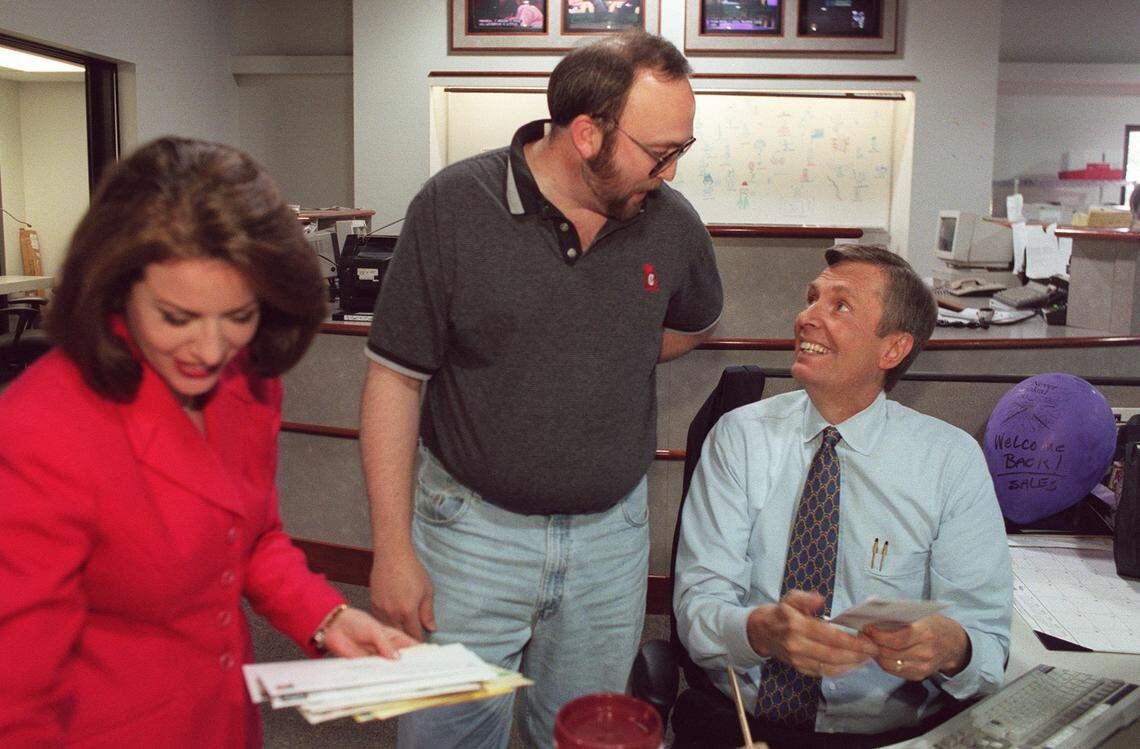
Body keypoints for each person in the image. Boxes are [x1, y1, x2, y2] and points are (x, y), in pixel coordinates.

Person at [363, 31, 722, 749]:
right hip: (470, 536)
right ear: (587, 134)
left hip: (610, 543)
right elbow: (395, 380)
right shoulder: (453, 206)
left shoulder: (670, 220)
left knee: (584, 734)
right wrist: (392, 549)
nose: (672, 170)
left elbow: (694, 324)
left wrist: (608, 342)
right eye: (660, 152)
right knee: (449, 736)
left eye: (681, 149)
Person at [0, 138, 415, 748]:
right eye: (177, 318)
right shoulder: (40, 430)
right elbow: (14, 692)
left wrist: (326, 616)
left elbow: (250, 536)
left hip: (220, 719)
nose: (212, 350)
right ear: (116, 288)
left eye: (239, 316)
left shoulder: (246, 381)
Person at [672, 244, 1012, 748]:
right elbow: (697, 609)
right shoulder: (739, 436)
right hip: (742, 724)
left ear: (892, 350)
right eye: (812, 299)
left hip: (884, 736)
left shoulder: (950, 461)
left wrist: (950, 647)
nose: (806, 318)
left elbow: (987, 649)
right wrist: (761, 631)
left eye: (840, 306)